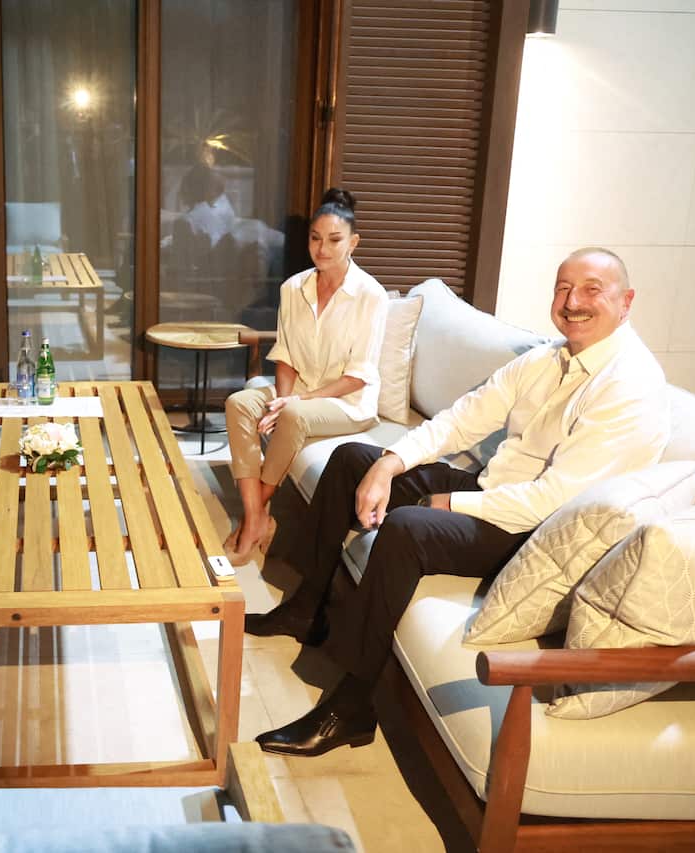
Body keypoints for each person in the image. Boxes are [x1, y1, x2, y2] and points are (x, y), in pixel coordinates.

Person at [245, 247, 670, 758]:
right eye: (563, 288)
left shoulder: (629, 385)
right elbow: (462, 418)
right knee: (353, 460)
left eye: (591, 290)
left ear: (626, 301)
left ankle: (351, 707)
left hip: (531, 528)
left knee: (407, 528)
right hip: (496, 489)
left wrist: (448, 504)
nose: (572, 302)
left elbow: (553, 502)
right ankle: (307, 607)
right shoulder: (547, 358)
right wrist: (389, 464)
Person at [222, 188, 389, 565]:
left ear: (353, 242)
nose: (322, 248)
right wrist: (283, 398)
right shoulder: (293, 288)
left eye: (334, 240)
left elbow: (358, 376)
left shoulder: (371, 296)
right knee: (239, 403)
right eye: (315, 238)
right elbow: (285, 357)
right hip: (299, 391)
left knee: (295, 414)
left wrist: (293, 403)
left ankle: (251, 522)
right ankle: (258, 516)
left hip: (347, 402)